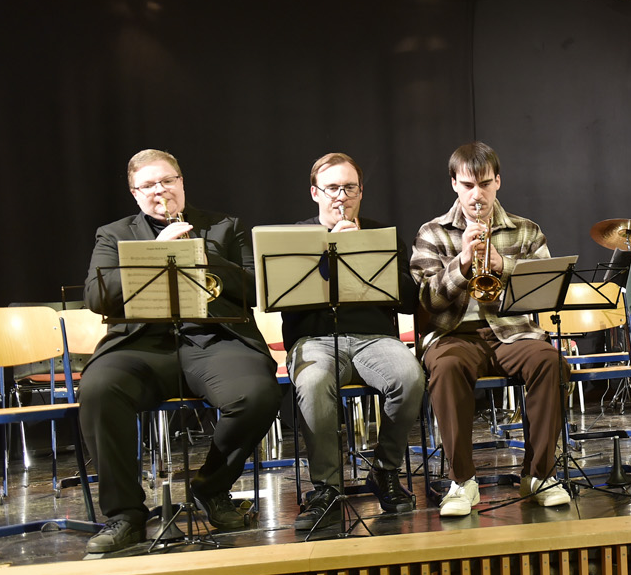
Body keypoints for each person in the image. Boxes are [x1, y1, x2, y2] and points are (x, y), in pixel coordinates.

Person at [80, 149, 282, 554]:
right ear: (134, 193)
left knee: (258, 394)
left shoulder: (225, 227)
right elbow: (96, 297)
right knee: (99, 389)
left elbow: (257, 289)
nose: (161, 190)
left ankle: (212, 487)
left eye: (168, 180)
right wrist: (157, 252)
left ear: (182, 182)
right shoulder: (114, 233)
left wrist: (202, 255)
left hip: (215, 340)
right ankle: (126, 516)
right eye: (149, 185)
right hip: (142, 344)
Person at [411, 142, 570, 516]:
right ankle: (462, 481)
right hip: (453, 334)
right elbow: (426, 300)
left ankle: (539, 475)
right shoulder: (432, 233)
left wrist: (503, 266)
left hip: (512, 332)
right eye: (468, 185)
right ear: (454, 184)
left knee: (551, 362)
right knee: (446, 367)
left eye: (484, 184)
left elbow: (544, 293)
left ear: (498, 181)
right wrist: (463, 263)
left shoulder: (526, 230)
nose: (476, 195)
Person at [282, 152, 423, 531]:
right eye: (332, 188)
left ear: (361, 192)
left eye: (349, 188)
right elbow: (280, 300)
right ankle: (327, 489)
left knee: (409, 377)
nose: (341, 197)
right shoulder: (294, 238)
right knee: (313, 381)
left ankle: (385, 470)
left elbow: (409, 301)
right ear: (315, 192)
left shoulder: (382, 235)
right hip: (314, 339)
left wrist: (363, 251)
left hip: (374, 338)